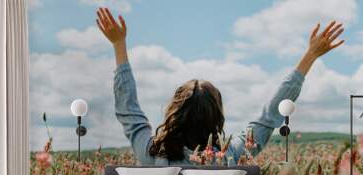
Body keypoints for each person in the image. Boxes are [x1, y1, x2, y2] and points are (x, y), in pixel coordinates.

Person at [96, 7, 345, 165]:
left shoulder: (151, 154)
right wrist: (310, 55)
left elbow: (129, 111)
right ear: (217, 117)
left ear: (173, 113)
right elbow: (270, 115)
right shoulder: (230, 156)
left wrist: (119, 45)